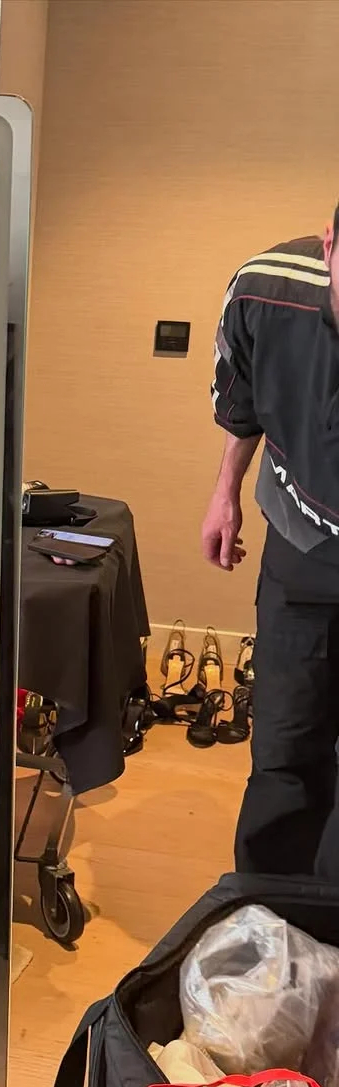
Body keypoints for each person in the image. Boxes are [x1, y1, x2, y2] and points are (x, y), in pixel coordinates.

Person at [204, 205, 339, 877]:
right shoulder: (263, 290)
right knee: (286, 748)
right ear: (330, 246)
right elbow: (244, 402)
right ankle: (269, 909)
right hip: (299, 544)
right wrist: (224, 491)